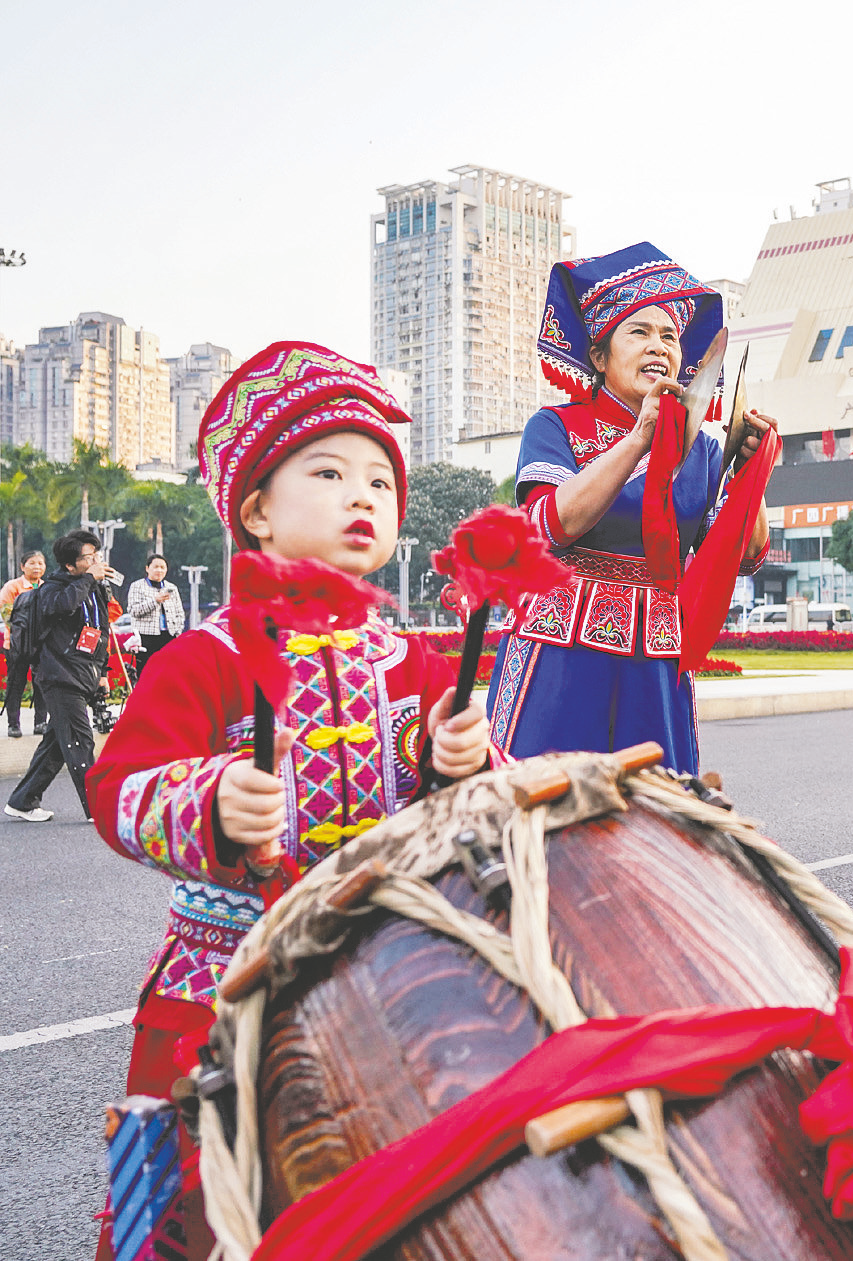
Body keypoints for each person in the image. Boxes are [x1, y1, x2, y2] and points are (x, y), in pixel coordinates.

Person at [84, 341, 499, 1260]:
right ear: (257, 510)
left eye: (380, 483)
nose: (364, 495)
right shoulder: (206, 656)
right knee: (187, 1208)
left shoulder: (418, 662)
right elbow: (114, 789)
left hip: (379, 976)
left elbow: (474, 802)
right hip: (214, 983)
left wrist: (462, 756)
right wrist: (210, 799)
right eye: (329, 471)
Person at [487, 242, 775, 773]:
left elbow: (746, 555)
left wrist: (747, 476)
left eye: (669, 337)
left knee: (658, 818)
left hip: (658, 660)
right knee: (547, 812)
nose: (659, 347)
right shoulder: (556, 427)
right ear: (599, 357)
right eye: (638, 332)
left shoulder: (703, 449)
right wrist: (641, 437)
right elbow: (552, 525)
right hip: (563, 652)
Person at [4, 531, 117, 822]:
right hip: (59, 675)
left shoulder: (95, 588)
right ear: (70, 565)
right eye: (87, 557)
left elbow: (102, 632)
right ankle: (96, 808)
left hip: (84, 673)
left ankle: (23, 801)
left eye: (96, 555)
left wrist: (102, 673)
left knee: (56, 744)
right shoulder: (52, 589)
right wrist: (89, 578)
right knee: (80, 739)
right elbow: (61, 606)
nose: (94, 561)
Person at [2, 550, 45, 737]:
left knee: (42, 683)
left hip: (42, 646)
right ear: (22, 566)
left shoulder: (47, 587)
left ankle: (41, 722)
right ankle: (13, 724)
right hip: (16, 645)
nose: (37, 567)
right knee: (15, 684)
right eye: (32, 563)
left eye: (40, 563)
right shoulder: (12, 587)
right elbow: (7, 615)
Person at [126, 553, 186, 676]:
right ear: (147, 568)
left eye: (162, 567)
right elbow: (133, 610)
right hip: (146, 637)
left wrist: (177, 632)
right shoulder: (137, 586)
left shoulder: (172, 588)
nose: (159, 570)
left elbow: (180, 612)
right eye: (156, 567)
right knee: (146, 672)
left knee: (168, 671)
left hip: (169, 635)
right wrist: (155, 601)